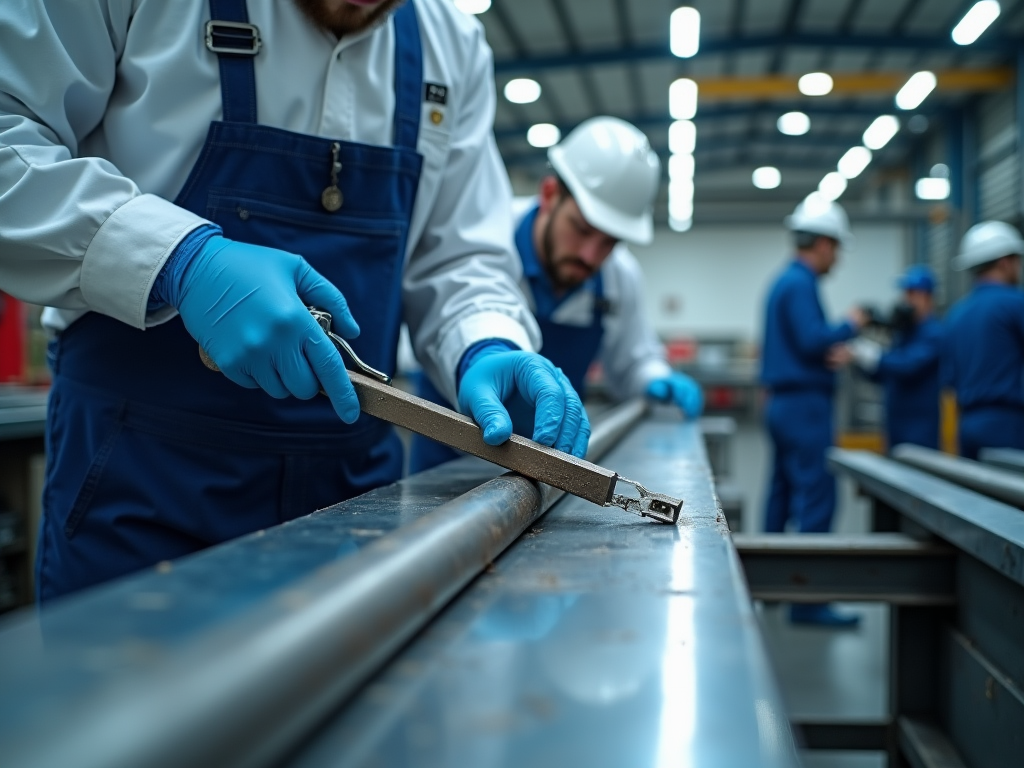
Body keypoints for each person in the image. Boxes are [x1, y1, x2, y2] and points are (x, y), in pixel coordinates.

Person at [0, 0, 589, 601]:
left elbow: (461, 255)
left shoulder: (451, 41)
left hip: (355, 507)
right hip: (139, 493)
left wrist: (485, 339)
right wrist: (177, 260)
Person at [408, 117, 704, 473]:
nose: (590, 256)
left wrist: (654, 377)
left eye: (609, 242)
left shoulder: (618, 277)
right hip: (447, 459)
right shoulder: (485, 237)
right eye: (581, 230)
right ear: (550, 195)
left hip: (547, 467)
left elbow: (632, 360)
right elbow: (441, 310)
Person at [760, 194, 867, 627]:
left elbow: (801, 343)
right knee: (818, 496)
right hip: (804, 405)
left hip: (784, 403)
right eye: (836, 247)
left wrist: (826, 349)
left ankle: (767, 585)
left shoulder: (782, 281)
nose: (836, 257)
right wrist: (851, 325)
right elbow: (810, 339)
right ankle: (808, 603)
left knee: (782, 493)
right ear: (821, 243)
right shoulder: (801, 283)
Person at [942, 221, 1024, 459]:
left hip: (966, 425)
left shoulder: (956, 315)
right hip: (1008, 425)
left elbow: (949, 380)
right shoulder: (1014, 304)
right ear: (1005, 262)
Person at [849, 265, 943, 450]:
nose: (905, 301)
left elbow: (907, 366)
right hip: (895, 428)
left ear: (927, 297)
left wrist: (871, 355)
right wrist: (857, 358)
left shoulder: (934, 334)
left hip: (920, 430)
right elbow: (884, 373)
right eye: (904, 294)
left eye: (911, 294)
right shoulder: (903, 334)